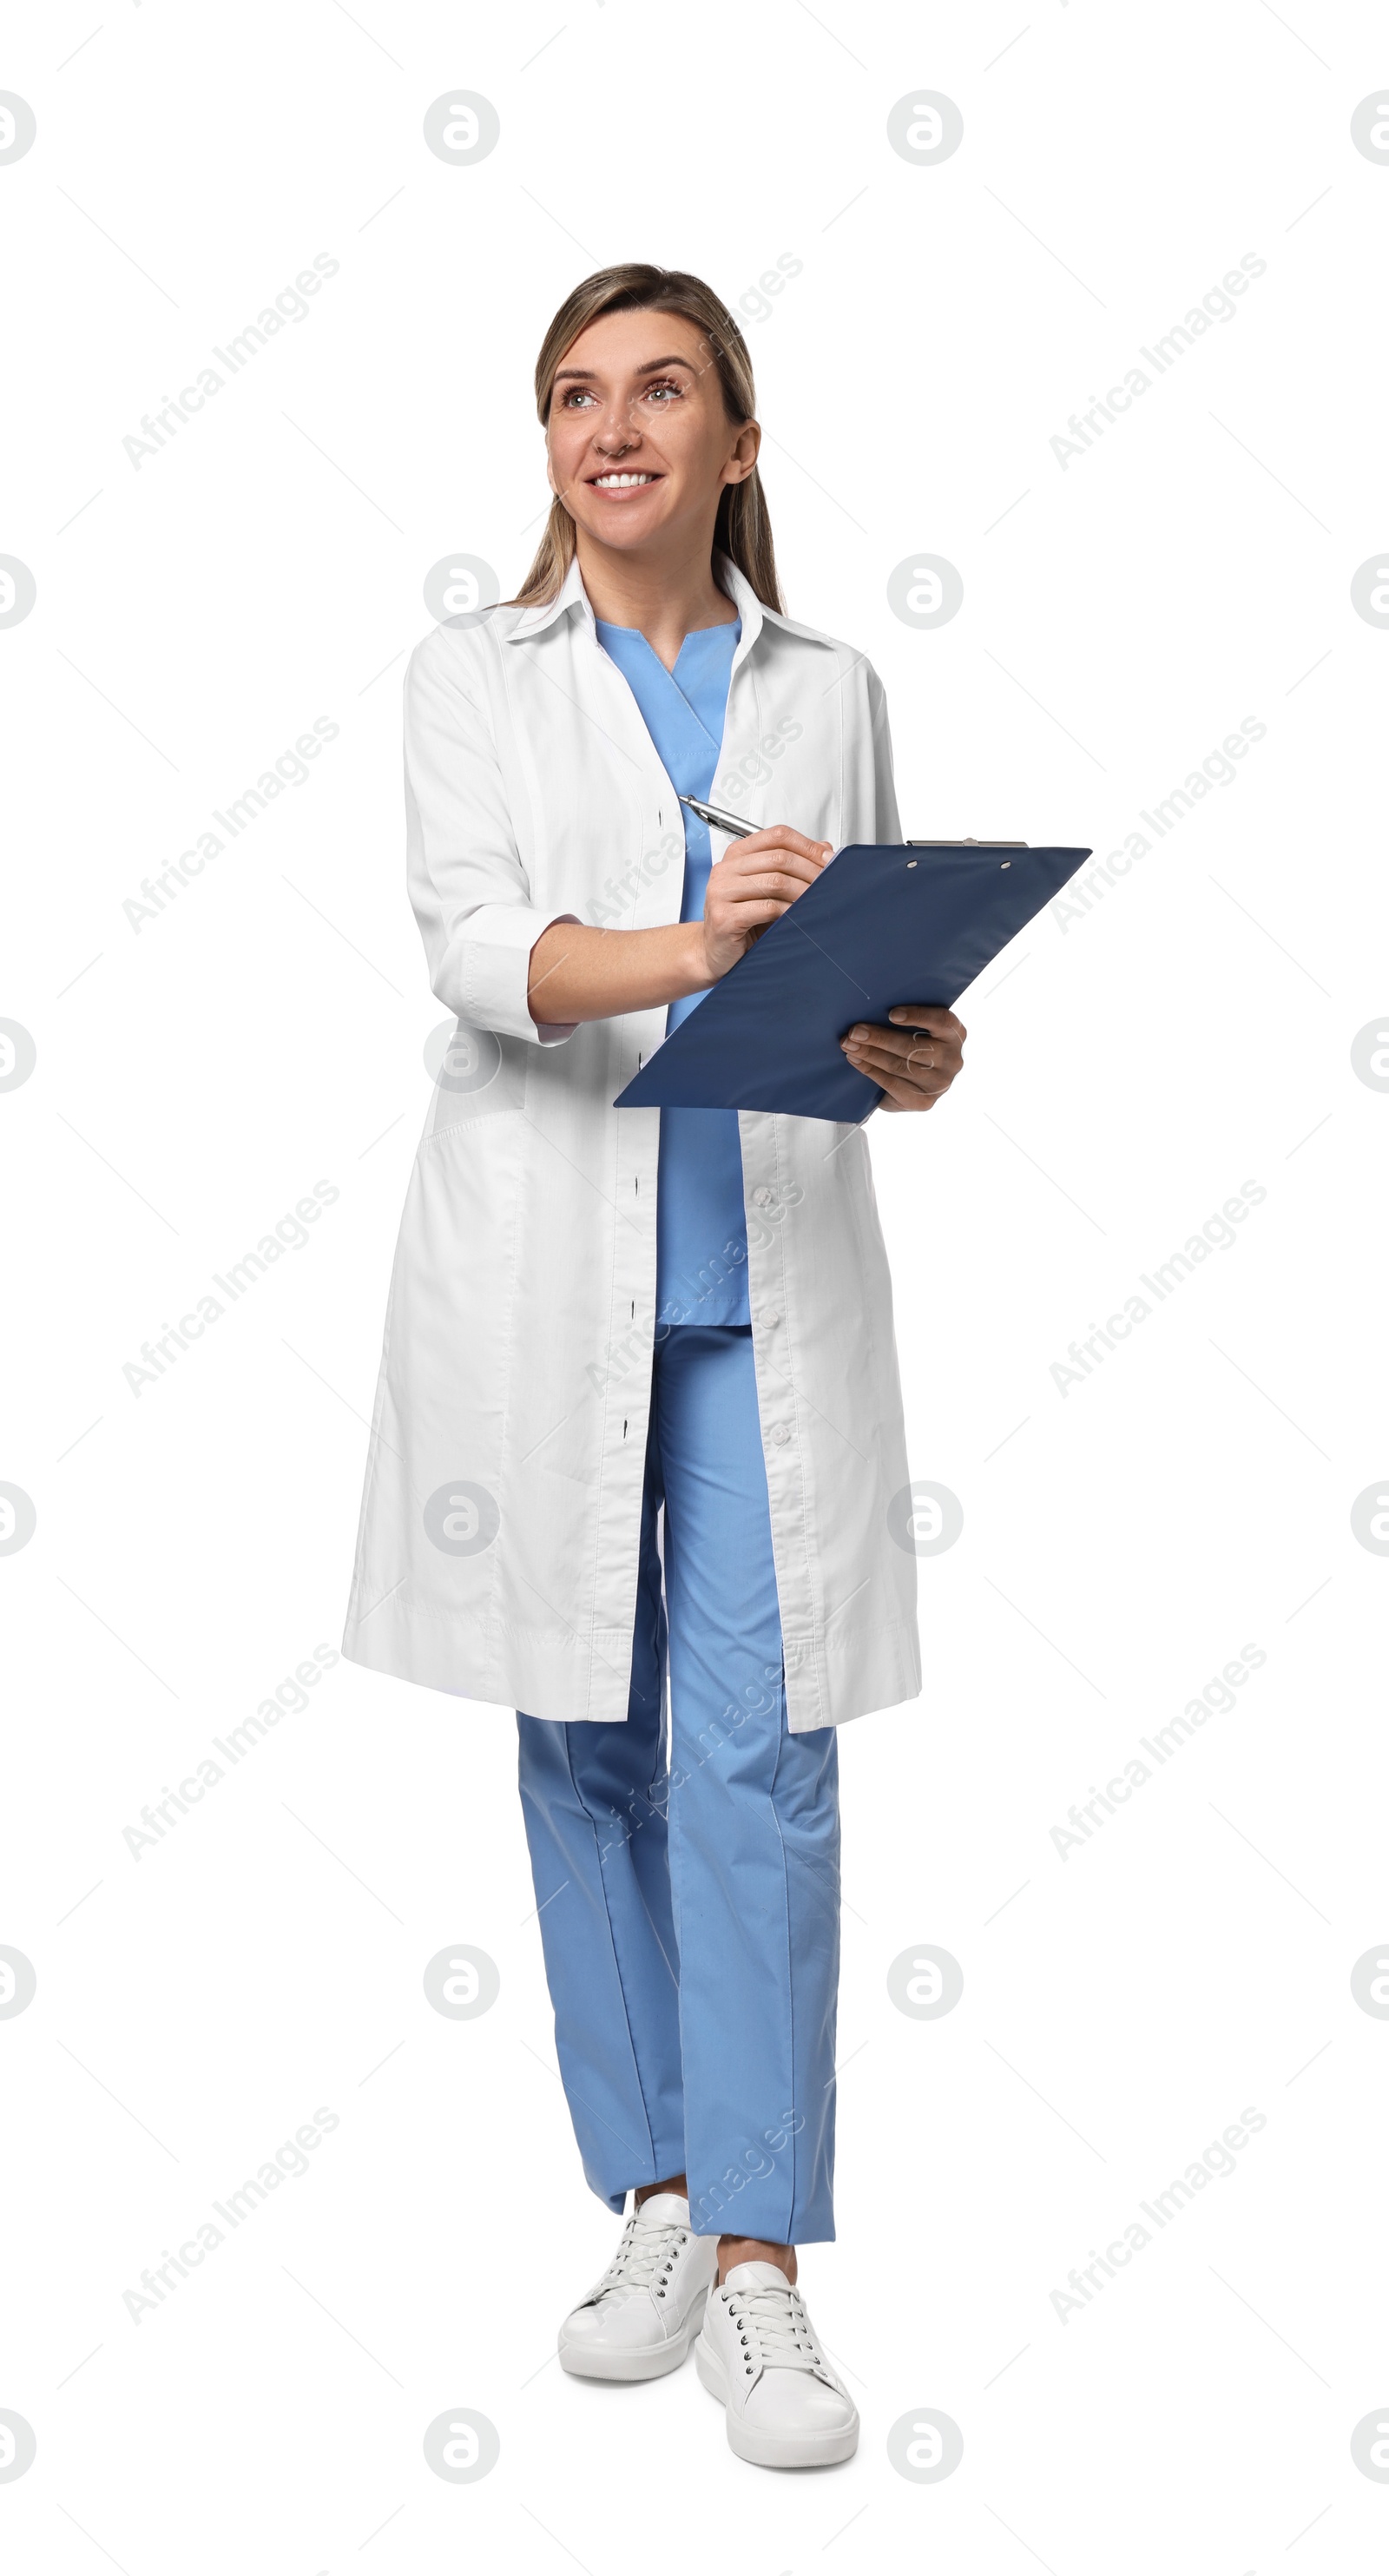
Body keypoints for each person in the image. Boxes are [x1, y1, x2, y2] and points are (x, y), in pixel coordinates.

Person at [342, 263, 965, 2470]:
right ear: (548, 446)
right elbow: (479, 948)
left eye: (659, 390)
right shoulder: (472, 675)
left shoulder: (833, 682)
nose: (612, 427)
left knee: (767, 1756)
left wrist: (913, 1041)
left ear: (736, 440)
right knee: (583, 1746)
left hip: (761, 1292)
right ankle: (663, 2196)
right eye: (574, 397)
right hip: (540, 1290)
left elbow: (878, 1004)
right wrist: (706, 940)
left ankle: (771, 2265)